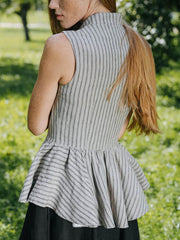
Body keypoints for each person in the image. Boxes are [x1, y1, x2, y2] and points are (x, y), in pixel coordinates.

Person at [18, 0, 161, 239]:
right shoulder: (140, 45)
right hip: (112, 187)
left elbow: (36, 125)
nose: (52, 5)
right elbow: (116, 132)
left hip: (62, 184)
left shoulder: (61, 46)